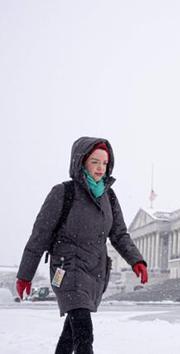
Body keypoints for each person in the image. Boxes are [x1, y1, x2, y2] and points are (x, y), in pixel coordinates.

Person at [16, 137, 149, 354]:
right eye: (95, 162)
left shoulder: (109, 197)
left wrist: (136, 261)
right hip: (67, 269)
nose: (100, 168)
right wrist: (25, 274)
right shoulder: (63, 192)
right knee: (84, 332)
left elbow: (119, 234)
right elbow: (40, 235)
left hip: (94, 270)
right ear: (82, 162)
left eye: (104, 163)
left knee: (72, 332)